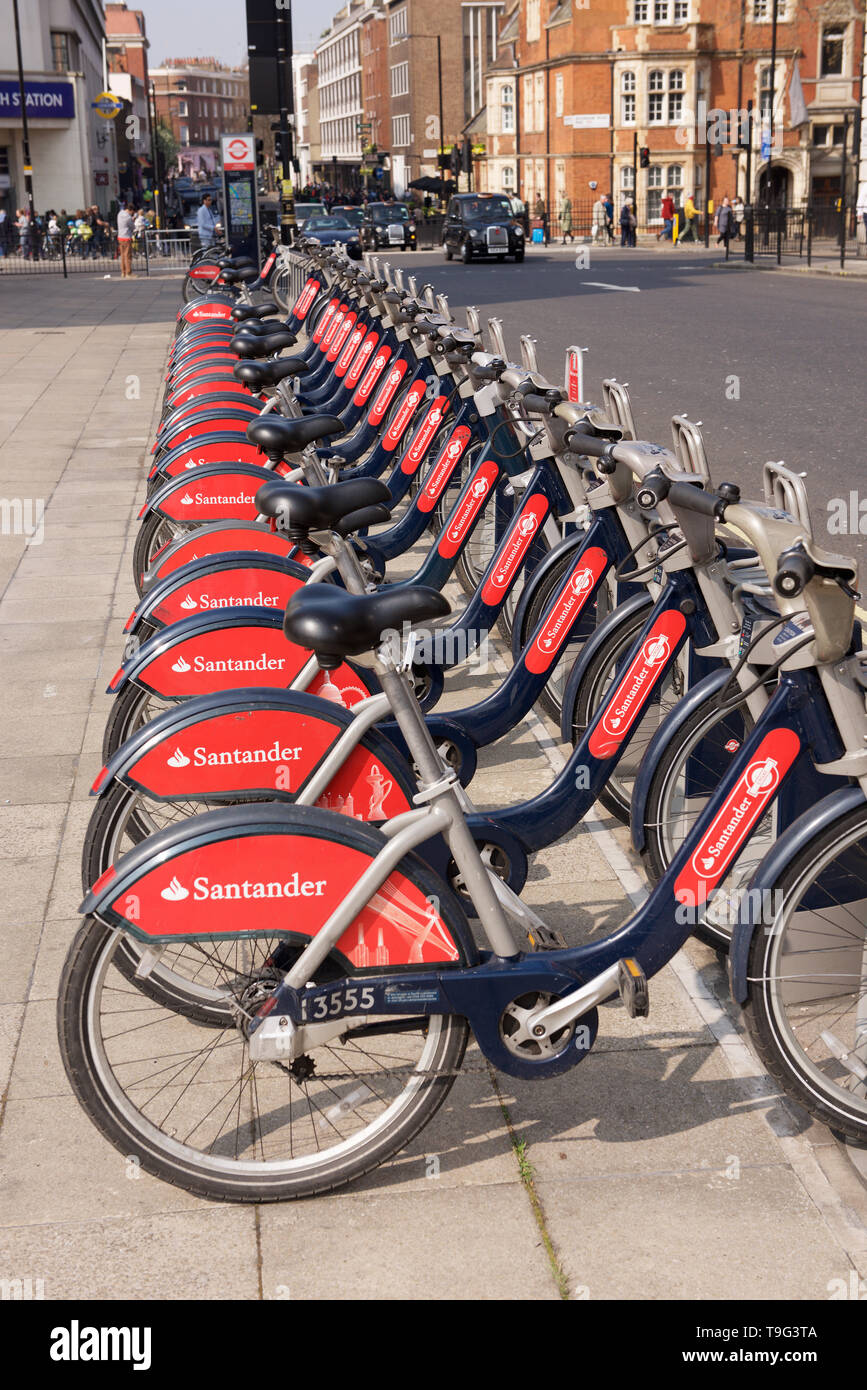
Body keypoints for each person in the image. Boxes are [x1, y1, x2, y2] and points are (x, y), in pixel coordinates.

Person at [116, 200, 134, 278]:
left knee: (123, 255)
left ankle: (123, 272)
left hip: (120, 237)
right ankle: (128, 273)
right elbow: (132, 227)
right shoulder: (128, 217)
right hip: (126, 237)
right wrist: (133, 220)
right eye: (132, 212)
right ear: (131, 210)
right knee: (128, 256)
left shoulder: (119, 214)